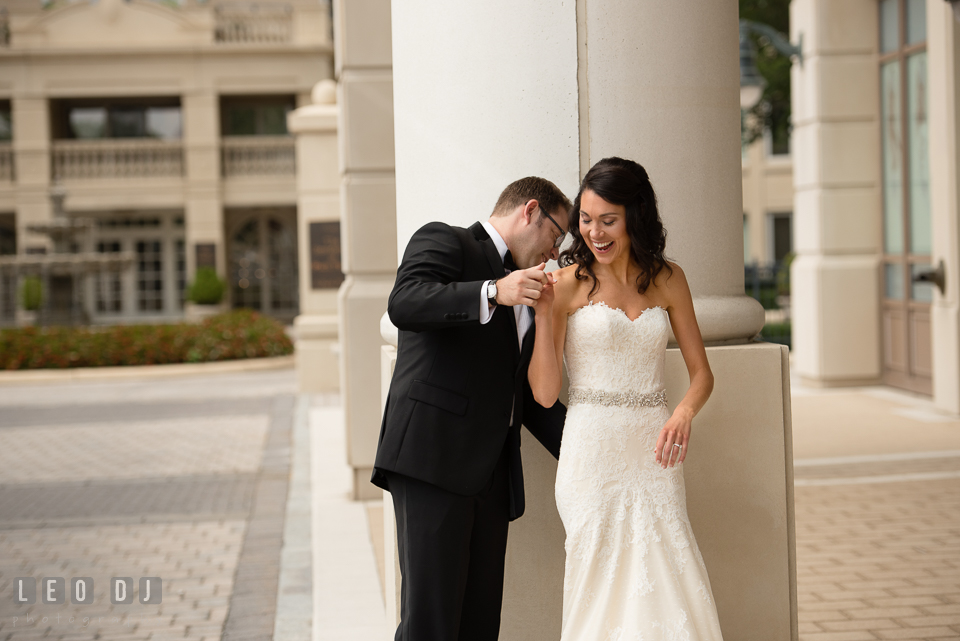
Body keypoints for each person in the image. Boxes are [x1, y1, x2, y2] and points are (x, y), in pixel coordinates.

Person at [528, 157, 723, 640]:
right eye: (586, 220)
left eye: (608, 220)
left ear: (635, 216)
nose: (595, 233)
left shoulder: (669, 278)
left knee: (666, 573)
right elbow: (545, 392)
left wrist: (683, 412)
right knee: (599, 581)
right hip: (591, 454)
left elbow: (702, 375)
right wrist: (544, 316)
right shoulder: (565, 284)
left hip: (655, 451)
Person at [372, 176, 572, 641]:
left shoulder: (532, 292)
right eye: (555, 235)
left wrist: (590, 447)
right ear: (530, 211)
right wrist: (491, 292)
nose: (555, 253)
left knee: (480, 625)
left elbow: (521, 396)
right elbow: (405, 302)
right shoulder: (447, 239)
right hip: (433, 461)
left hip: (491, 478)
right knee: (431, 625)